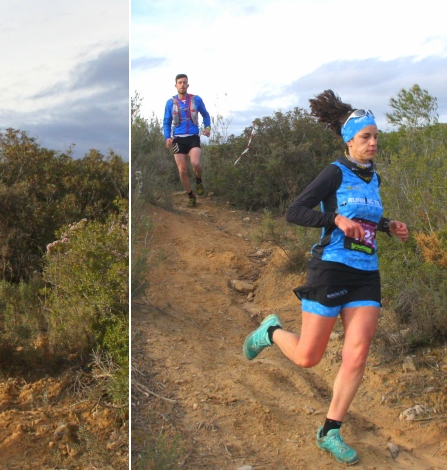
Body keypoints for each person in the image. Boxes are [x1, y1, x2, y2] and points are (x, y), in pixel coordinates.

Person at [241, 90, 409, 465]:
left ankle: (330, 430)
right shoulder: (334, 172)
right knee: (307, 358)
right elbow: (294, 211)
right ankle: (270, 331)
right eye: (366, 137)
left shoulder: (373, 178)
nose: (373, 143)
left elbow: (363, 218)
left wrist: (387, 225)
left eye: (376, 136)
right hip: (330, 268)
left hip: (367, 273)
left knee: (357, 353)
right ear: (349, 140)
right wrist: (333, 219)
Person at [163, 74, 211, 207]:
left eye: (184, 82)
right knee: (182, 170)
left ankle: (198, 179)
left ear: (188, 85)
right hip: (178, 139)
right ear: (176, 85)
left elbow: (206, 115)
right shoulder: (170, 103)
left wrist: (207, 128)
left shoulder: (196, 99)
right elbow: (166, 122)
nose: (182, 85)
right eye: (180, 82)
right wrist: (167, 137)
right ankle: (191, 195)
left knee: (195, 163)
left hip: (193, 137)